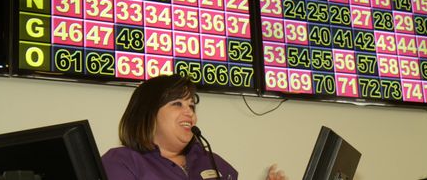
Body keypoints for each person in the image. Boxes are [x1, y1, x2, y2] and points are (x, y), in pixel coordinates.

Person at [102, 74, 288, 180]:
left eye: (191, 106)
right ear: (148, 113)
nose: (189, 113)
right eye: (177, 104)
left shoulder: (213, 161)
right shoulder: (121, 162)